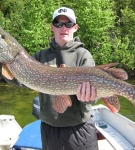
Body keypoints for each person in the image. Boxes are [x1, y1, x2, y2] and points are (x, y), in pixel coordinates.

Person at [1, 7, 99, 150]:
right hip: (49, 130)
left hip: (79, 129)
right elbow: (19, 80)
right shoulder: (39, 57)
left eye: (68, 24)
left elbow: (93, 96)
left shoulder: (83, 55)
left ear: (75, 27)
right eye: (58, 24)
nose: (63, 27)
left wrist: (88, 96)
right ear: (52, 27)